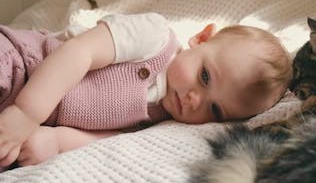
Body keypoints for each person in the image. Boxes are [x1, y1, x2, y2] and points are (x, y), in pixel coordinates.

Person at [0, 12, 292, 169]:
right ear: (202, 38)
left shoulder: (157, 119)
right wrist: (26, 113)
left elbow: (104, 137)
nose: (195, 100)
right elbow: (79, 52)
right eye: (205, 76)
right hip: (20, 64)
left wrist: (55, 140)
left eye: (215, 109)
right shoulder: (155, 37)